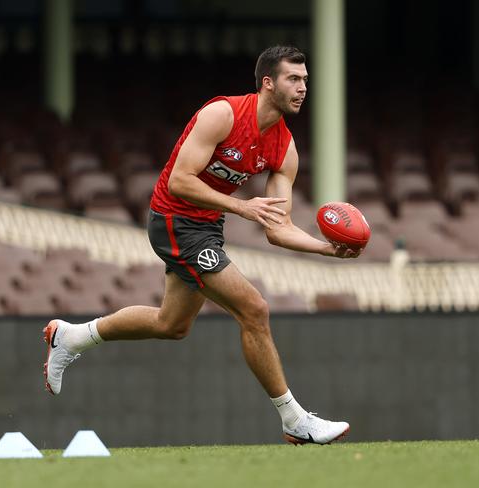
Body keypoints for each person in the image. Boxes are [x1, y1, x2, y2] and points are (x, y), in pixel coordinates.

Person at [43, 45, 361, 445]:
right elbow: (180, 180)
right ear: (268, 83)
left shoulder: (284, 148)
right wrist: (241, 207)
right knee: (254, 309)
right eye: (293, 79)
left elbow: (278, 227)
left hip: (207, 227)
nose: (302, 88)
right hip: (173, 219)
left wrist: (326, 249)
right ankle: (294, 419)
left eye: (305, 81)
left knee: (171, 325)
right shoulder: (222, 114)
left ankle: (70, 337)